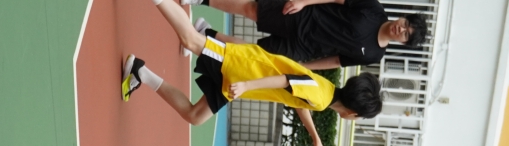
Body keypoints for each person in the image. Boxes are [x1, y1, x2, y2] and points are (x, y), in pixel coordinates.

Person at [122, 0, 382, 146]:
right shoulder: (322, 97)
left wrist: (315, 138)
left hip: (238, 80)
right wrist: (247, 86)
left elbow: (299, 98)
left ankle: (139, 72)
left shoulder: (325, 93)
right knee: (190, 40)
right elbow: (286, 81)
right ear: (353, 113)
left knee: (195, 115)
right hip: (241, 69)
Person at [183, 0, 428, 70]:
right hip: (304, 16)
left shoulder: (374, 55)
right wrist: (303, 1)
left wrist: (305, 67)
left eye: (406, 35)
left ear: (403, 42)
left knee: (254, 56)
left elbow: (336, 61)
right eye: (406, 24)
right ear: (403, 17)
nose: (401, 29)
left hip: (304, 48)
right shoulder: (374, 9)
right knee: (252, 10)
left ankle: (206, 33)